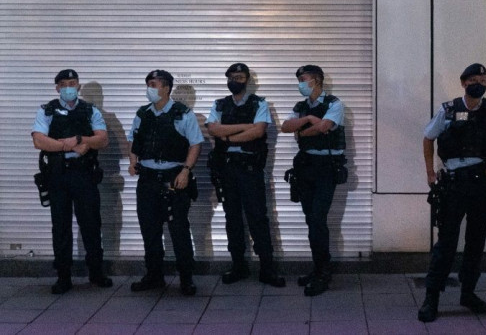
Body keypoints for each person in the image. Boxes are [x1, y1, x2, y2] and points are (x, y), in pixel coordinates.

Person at [417, 63, 486, 322]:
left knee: (475, 240)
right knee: (446, 243)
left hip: (481, 184)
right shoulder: (447, 110)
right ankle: (432, 297)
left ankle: (468, 293)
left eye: (482, 79)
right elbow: (428, 138)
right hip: (453, 184)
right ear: (463, 83)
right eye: (473, 79)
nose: (478, 83)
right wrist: (430, 172)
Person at [31, 69, 112, 294]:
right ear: (57, 87)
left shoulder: (89, 110)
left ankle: (96, 273)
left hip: (84, 174)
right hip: (58, 175)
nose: (69, 87)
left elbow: (102, 139)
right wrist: (70, 146)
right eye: (64, 83)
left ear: (79, 86)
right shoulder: (47, 110)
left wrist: (80, 139)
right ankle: (63, 276)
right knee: (61, 227)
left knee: (91, 225)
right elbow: (39, 140)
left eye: (73, 83)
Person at [205, 63, 285, 287]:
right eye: (231, 77)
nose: (235, 80)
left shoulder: (259, 103)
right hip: (227, 169)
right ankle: (238, 266)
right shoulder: (219, 104)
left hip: (250, 169)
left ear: (247, 80)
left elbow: (258, 131)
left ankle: (267, 269)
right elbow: (213, 130)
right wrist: (244, 128)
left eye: (239, 77)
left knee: (258, 218)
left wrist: (228, 137)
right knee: (232, 219)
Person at [127, 70, 203, 295]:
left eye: (154, 84)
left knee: (179, 230)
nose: (150, 88)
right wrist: (133, 162)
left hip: (174, 179)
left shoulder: (183, 113)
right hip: (148, 179)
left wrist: (186, 171)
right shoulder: (143, 114)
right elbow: (134, 140)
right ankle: (154, 276)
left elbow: (195, 144)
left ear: (167, 88)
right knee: (149, 231)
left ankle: (186, 278)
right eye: (148, 84)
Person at [281, 65, 346, 296]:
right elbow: (285, 127)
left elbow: (324, 127)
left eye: (303, 79)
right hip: (306, 166)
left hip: (326, 168)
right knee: (311, 220)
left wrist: (303, 131)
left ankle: (323, 273)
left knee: (318, 218)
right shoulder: (301, 107)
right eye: (298, 79)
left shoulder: (334, 104)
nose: (300, 83)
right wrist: (308, 118)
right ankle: (318, 268)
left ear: (317, 80)